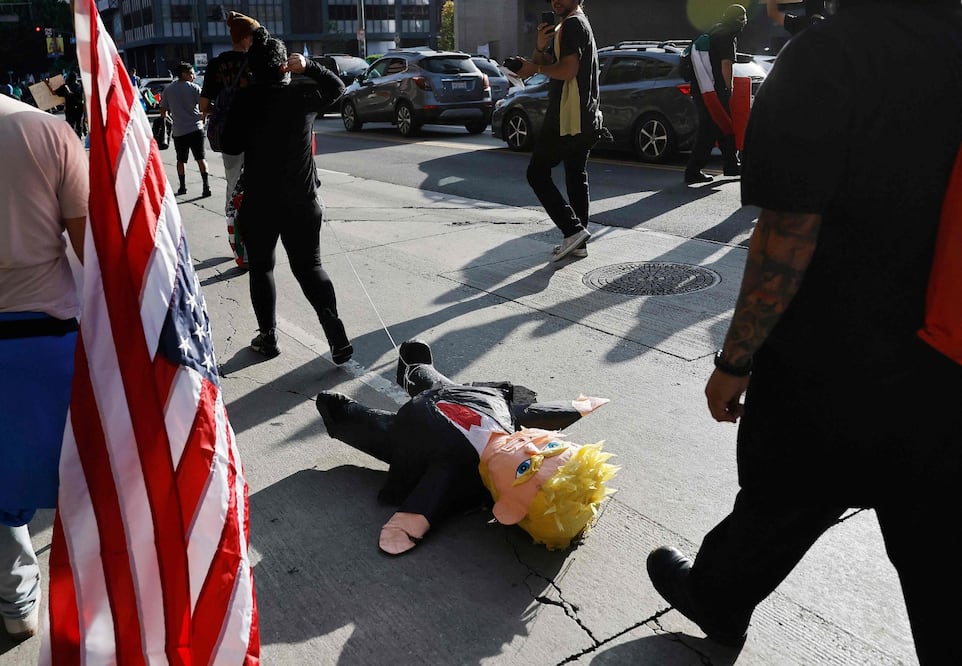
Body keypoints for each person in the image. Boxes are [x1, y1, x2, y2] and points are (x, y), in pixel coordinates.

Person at [646, 1, 962, 663]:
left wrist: (736, 358)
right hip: (946, 359)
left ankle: (718, 594)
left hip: (835, 358)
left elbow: (788, 232)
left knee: (789, 490)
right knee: (937, 551)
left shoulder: (832, 56)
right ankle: (717, 592)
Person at [316, 340, 616, 555]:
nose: (530, 446)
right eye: (548, 445)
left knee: (375, 428)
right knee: (432, 381)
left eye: (525, 467)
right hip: (461, 397)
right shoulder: (511, 426)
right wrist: (577, 407)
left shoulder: (456, 466)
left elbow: (432, 493)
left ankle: (343, 418)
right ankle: (415, 369)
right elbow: (539, 415)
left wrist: (406, 525)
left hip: (410, 433)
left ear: (508, 509)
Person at [0, 94, 88, 642]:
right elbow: (89, 247)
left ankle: (15, 598)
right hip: (46, 338)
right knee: (76, 478)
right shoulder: (46, 130)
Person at [221, 28, 353, 363]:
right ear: (284, 67)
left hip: (260, 203)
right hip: (302, 202)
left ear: (253, 69)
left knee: (261, 268)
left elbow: (229, 145)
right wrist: (309, 66)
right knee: (310, 268)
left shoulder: (245, 101)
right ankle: (335, 333)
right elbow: (338, 88)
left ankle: (268, 337)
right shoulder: (303, 95)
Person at [513, 0, 603, 261]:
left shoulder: (573, 25)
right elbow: (544, 62)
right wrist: (540, 46)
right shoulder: (575, 24)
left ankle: (573, 230)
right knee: (576, 175)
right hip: (584, 115)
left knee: (537, 173)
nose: (556, 0)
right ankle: (578, 241)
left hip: (568, 114)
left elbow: (568, 69)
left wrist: (536, 68)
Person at [201, 11, 260, 212]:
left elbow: (203, 106)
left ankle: (233, 227)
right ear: (246, 38)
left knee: (233, 182)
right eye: (254, 36)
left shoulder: (215, 65)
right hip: (256, 133)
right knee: (259, 182)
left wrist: (220, 111)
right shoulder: (257, 62)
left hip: (229, 135)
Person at [683, 4, 746, 185]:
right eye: (741, 18)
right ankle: (693, 171)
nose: (743, 22)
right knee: (709, 130)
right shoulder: (727, 35)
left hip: (703, 88)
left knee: (724, 125)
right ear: (735, 20)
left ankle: (731, 165)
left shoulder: (715, 30)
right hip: (713, 91)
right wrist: (729, 88)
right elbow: (726, 64)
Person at [160, 62, 211, 197]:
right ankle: (206, 187)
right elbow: (204, 107)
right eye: (191, 73)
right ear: (184, 74)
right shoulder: (195, 88)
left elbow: (163, 111)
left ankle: (182, 187)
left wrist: (171, 121)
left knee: (181, 160)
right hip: (196, 129)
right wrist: (203, 118)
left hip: (179, 131)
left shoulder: (168, 90)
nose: (193, 76)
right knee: (201, 158)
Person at [53, 71, 86, 139]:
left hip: (70, 109)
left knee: (70, 125)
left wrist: (47, 84)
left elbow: (54, 93)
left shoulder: (65, 86)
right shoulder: (80, 86)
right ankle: (78, 139)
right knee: (79, 125)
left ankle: (72, 139)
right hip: (79, 108)